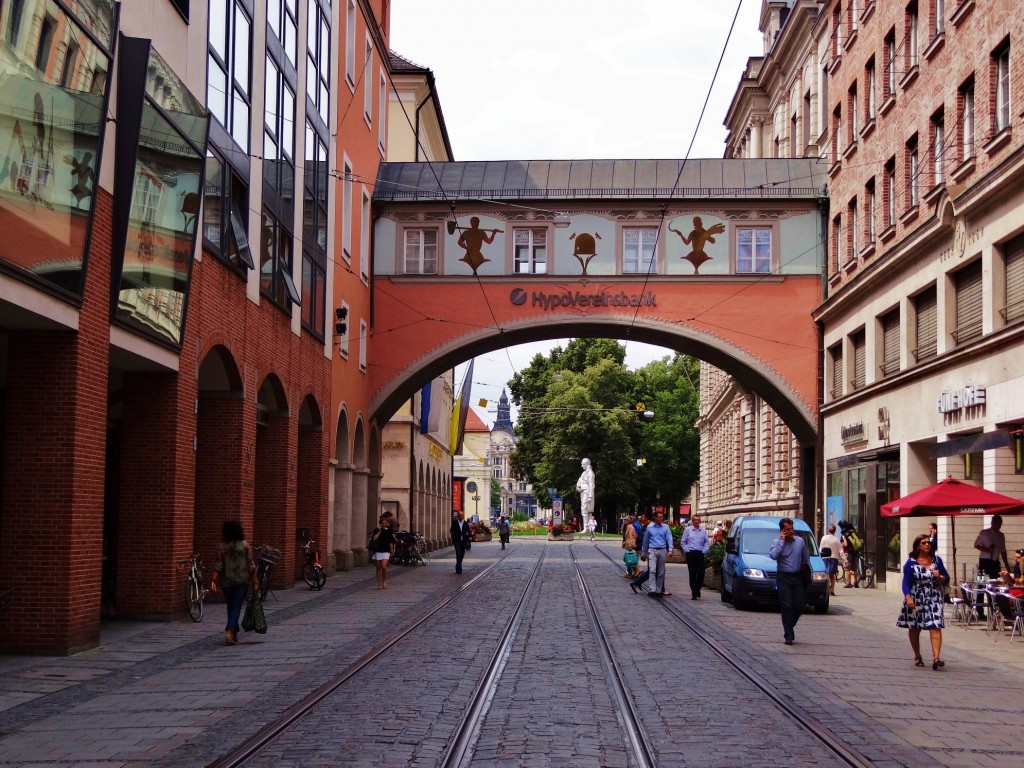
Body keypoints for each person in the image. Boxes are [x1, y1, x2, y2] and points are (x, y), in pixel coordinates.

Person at [897, 534, 950, 669]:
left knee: (935, 625)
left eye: (928, 543)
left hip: (933, 596)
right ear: (918, 545)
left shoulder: (936, 560)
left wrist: (940, 577)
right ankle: (917, 656)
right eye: (924, 543)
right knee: (915, 627)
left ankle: (936, 659)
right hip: (916, 597)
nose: (927, 545)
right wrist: (908, 597)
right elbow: (906, 582)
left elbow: (947, 578)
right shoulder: (911, 563)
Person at [210, 520, 256, 646]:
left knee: (231, 606)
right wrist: (255, 581)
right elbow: (251, 565)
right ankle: (230, 632)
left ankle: (234, 633)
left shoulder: (222, 546)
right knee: (236, 606)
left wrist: (213, 579)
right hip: (242, 580)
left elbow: (218, 565)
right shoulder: (245, 546)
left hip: (226, 581)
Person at [769, 518, 810, 645]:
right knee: (787, 606)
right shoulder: (777, 542)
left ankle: (789, 626)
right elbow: (773, 556)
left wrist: (809, 573)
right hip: (783, 577)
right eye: (787, 530)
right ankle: (788, 635)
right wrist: (782, 541)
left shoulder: (800, 541)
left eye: (792, 528)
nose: (791, 531)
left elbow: (806, 558)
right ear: (782, 531)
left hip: (797, 577)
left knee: (799, 605)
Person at [974, 514, 1010, 618]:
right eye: (996, 523)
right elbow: (976, 545)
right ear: (992, 523)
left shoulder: (1001, 535)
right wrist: (986, 549)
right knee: (981, 583)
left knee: (996, 584)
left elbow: (1003, 550)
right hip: (984, 561)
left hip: (995, 562)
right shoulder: (984, 533)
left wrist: (1006, 564)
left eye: (1000, 524)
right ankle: (979, 610)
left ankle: (995, 608)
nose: (998, 526)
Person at [640, 510, 674, 597]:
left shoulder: (665, 527)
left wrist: (670, 550)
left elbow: (669, 539)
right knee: (652, 570)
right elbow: (645, 540)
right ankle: (652, 589)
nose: (661, 519)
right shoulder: (650, 527)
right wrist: (643, 552)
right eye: (659, 517)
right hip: (652, 550)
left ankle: (658, 590)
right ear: (655, 517)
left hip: (662, 550)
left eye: (662, 517)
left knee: (661, 572)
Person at [680, 514, 710, 600]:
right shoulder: (688, 530)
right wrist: (687, 550)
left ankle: (698, 589)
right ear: (692, 521)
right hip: (691, 553)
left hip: (700, 553)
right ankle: (694, 592)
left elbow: (706, 542)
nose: (697, 521)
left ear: (700, 521)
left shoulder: (703, 530)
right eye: (695, 520)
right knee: (692, 574)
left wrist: (704, 551)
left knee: (701, 573)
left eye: (698, 520)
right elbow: (683, 541)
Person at [369, 515, 395, 589]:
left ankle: (384, 580)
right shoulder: (377, 530)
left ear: (387, 523)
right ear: (380, 524)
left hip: (386, 550)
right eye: (382, 523)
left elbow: (390, 542)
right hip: (378, 551)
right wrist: (380, 531)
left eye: (385, 523)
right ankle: (379, 583)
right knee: (378, 568)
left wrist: (392, 550)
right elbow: (374, 538)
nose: (384, 524)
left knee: (384, 566)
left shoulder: (389, 531)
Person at [819, 524, 842, 597]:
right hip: (834, 558)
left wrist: (819, 556)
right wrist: (845, 560)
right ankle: (832, 589)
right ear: (835, 531)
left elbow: (821, 548)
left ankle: (827, 589)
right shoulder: (836, 539)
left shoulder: (824, 538)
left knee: (826, 574)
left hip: (825, 558)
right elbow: (841, 551)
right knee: (832, 575)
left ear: (828, 530)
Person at [576, 458, 596, 531]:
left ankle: (586, 527)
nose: (582, 466)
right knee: (587, 510)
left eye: (583, 464)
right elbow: (579, 483)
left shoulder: (590, 473)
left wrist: (590, 496)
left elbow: (591, 485)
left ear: (587, 464)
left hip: (587, 493)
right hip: (583, 492)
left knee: (585, 510)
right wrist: (578, 488)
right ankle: (589, 527)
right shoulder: (583, 473)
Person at [451, 509, 472, 574]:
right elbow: (451, 530)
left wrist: (470, 536)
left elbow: (468, 531)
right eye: (459, 515)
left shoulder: (465, 523)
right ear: (457, 516)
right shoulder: (454, 522)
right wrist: (452, 534)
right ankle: (459, 568)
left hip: (463, 541)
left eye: (462, 515)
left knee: (462, 553)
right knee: (458, 553)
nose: (460, 517)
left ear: (463, 516)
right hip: (456, 540)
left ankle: (458, 564)